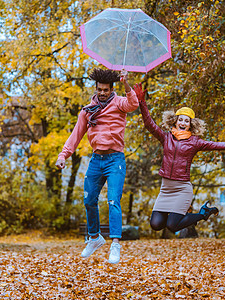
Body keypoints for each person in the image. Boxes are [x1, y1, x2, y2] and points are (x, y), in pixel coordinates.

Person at [134, 83, 225, 234]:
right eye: (180, 119)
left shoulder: (195, 142)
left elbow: (216, 145)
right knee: (156, 224)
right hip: (166, 188)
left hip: (182, 188)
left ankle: (203, 214)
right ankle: (201, 213)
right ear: (175, 121)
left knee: (172, 226)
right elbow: (149, 124)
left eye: (186, 121)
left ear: (190, 125)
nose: (183, 123)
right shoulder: (166, 137)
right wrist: (142, 103)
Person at [55, 68, 138, 264]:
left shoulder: (119, 104)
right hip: (96, 160)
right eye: (100, 89)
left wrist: (126, 83)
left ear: (111, 89)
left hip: (115, 160)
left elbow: (133, 103)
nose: (102, 93)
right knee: (88, 200)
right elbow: (75, 136)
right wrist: (63, 155)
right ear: (96, 88)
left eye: (106, 90)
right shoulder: (87, 111)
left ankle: (115, 244)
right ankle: (95, 238)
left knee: (113, 201)